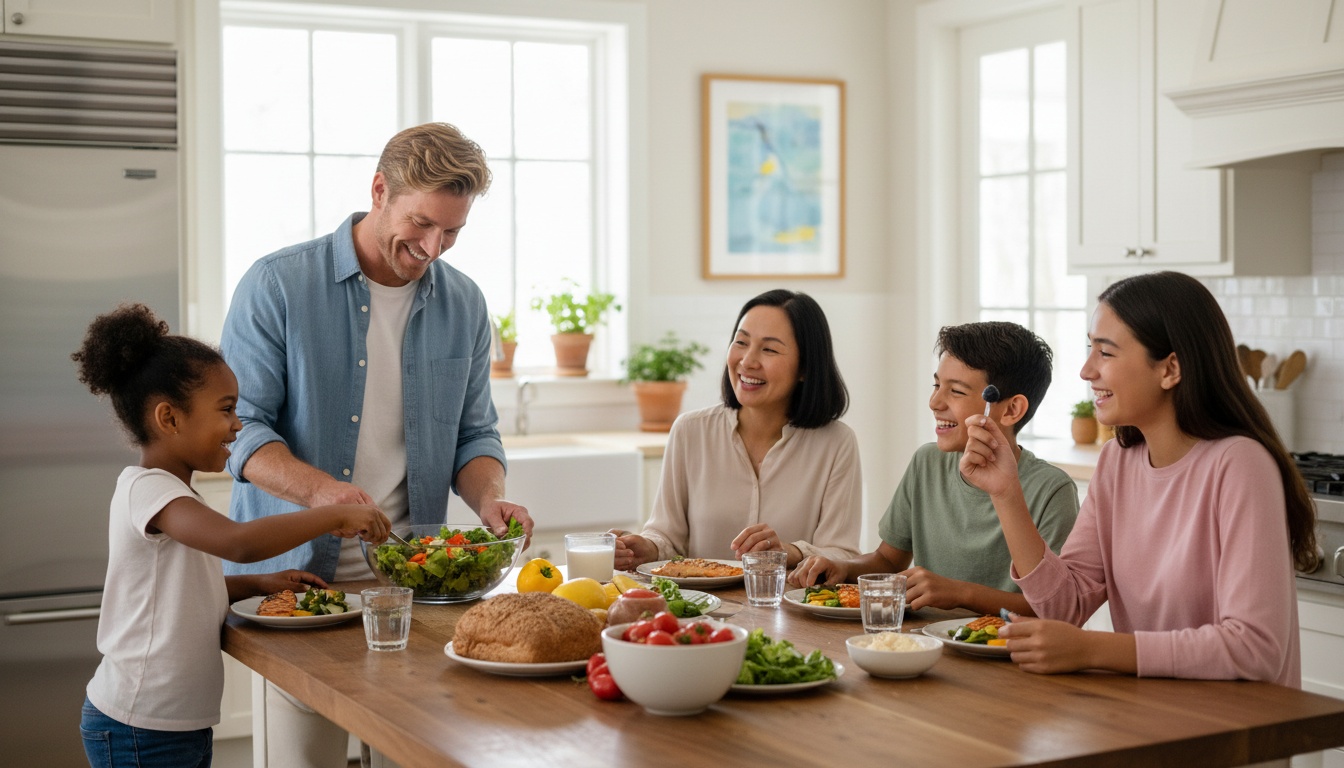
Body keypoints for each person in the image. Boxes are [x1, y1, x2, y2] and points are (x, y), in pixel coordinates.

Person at [220, 122, 533, 766]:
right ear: (379, 190)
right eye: (421, 224)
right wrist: (325, 495)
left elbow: (474, 433)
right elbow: (241, 430)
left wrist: (490, 500)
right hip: (299, 588)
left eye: (452, 232)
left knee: (410, 754)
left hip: (417, 591)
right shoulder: (278, 284)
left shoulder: (465, 305)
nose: (433, 247)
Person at [71, 303, 389, 768]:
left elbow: (175, 594)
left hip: (172, 723)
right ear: (169, 418)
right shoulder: (149, 491)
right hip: (139, 726)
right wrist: (330, 513)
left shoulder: (175, 496)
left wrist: (254, 584)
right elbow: (239, 542)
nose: (238, 425)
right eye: (226, 409)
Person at [962, 271, 1316, 687]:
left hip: (1235, 736)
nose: (1086, 370)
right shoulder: (1117, 462)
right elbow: (1063, 606)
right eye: (1089, 349)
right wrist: (1006, 492)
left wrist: (1093, 649)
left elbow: (1256, 649)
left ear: (1170, 369)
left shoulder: (1239, 465)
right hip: (1149, 719)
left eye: (1106, 353)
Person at [788, 321, 1079, 616]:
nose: (934, 402)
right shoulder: (926, 463)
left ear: (1011, 410)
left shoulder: (1052, 491)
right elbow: (888, 562)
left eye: (956, 391)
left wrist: (960, 593)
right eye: (937, 385)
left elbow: (1051, 609)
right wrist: (842, 567)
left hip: (1008, 656)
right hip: (924, 642)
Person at [612, 289, 861, 571]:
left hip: (786, 612)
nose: (747, 361)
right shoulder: (690, 432)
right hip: (700, 608)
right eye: (741, 342)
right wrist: (645, 547)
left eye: (769, 349)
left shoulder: (836, 443)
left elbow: (843, 553)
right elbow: (667, 537)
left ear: (805, 367)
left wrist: (790, 552)